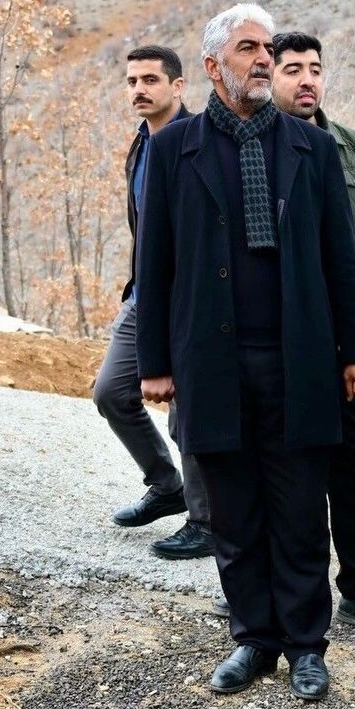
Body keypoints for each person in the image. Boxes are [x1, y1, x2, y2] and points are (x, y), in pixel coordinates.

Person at [134, 3, 355, 700]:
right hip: (210, 361)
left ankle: (306, 646)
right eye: (249, 48)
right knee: (233, 513)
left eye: (268, 47)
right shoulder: (173, 149)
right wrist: (155, 362)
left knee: (299, 510)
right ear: (214, 65)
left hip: (298, 360)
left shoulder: (313, 149)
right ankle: (253, 640)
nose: (265, 59)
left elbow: (341, 260)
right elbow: (154, 263)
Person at [269, 31, 355, 641]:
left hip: (342, 340)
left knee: (347, 466)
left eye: (315, 69)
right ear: (269, 75)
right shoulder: (255, 148)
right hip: (274, 338)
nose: (307, 80)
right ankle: (274, 589)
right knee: (274, 466)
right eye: (292, 69)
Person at [94, 45, 213, 561]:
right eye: (132, 81)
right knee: (111, 392)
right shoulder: (140, 144)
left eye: (150, 80)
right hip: (144, 296)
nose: (139, 89)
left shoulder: (201, 144)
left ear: (178, 86)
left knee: (188, 412)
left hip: (192, 301)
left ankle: (206, 522)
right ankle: (167, 485)